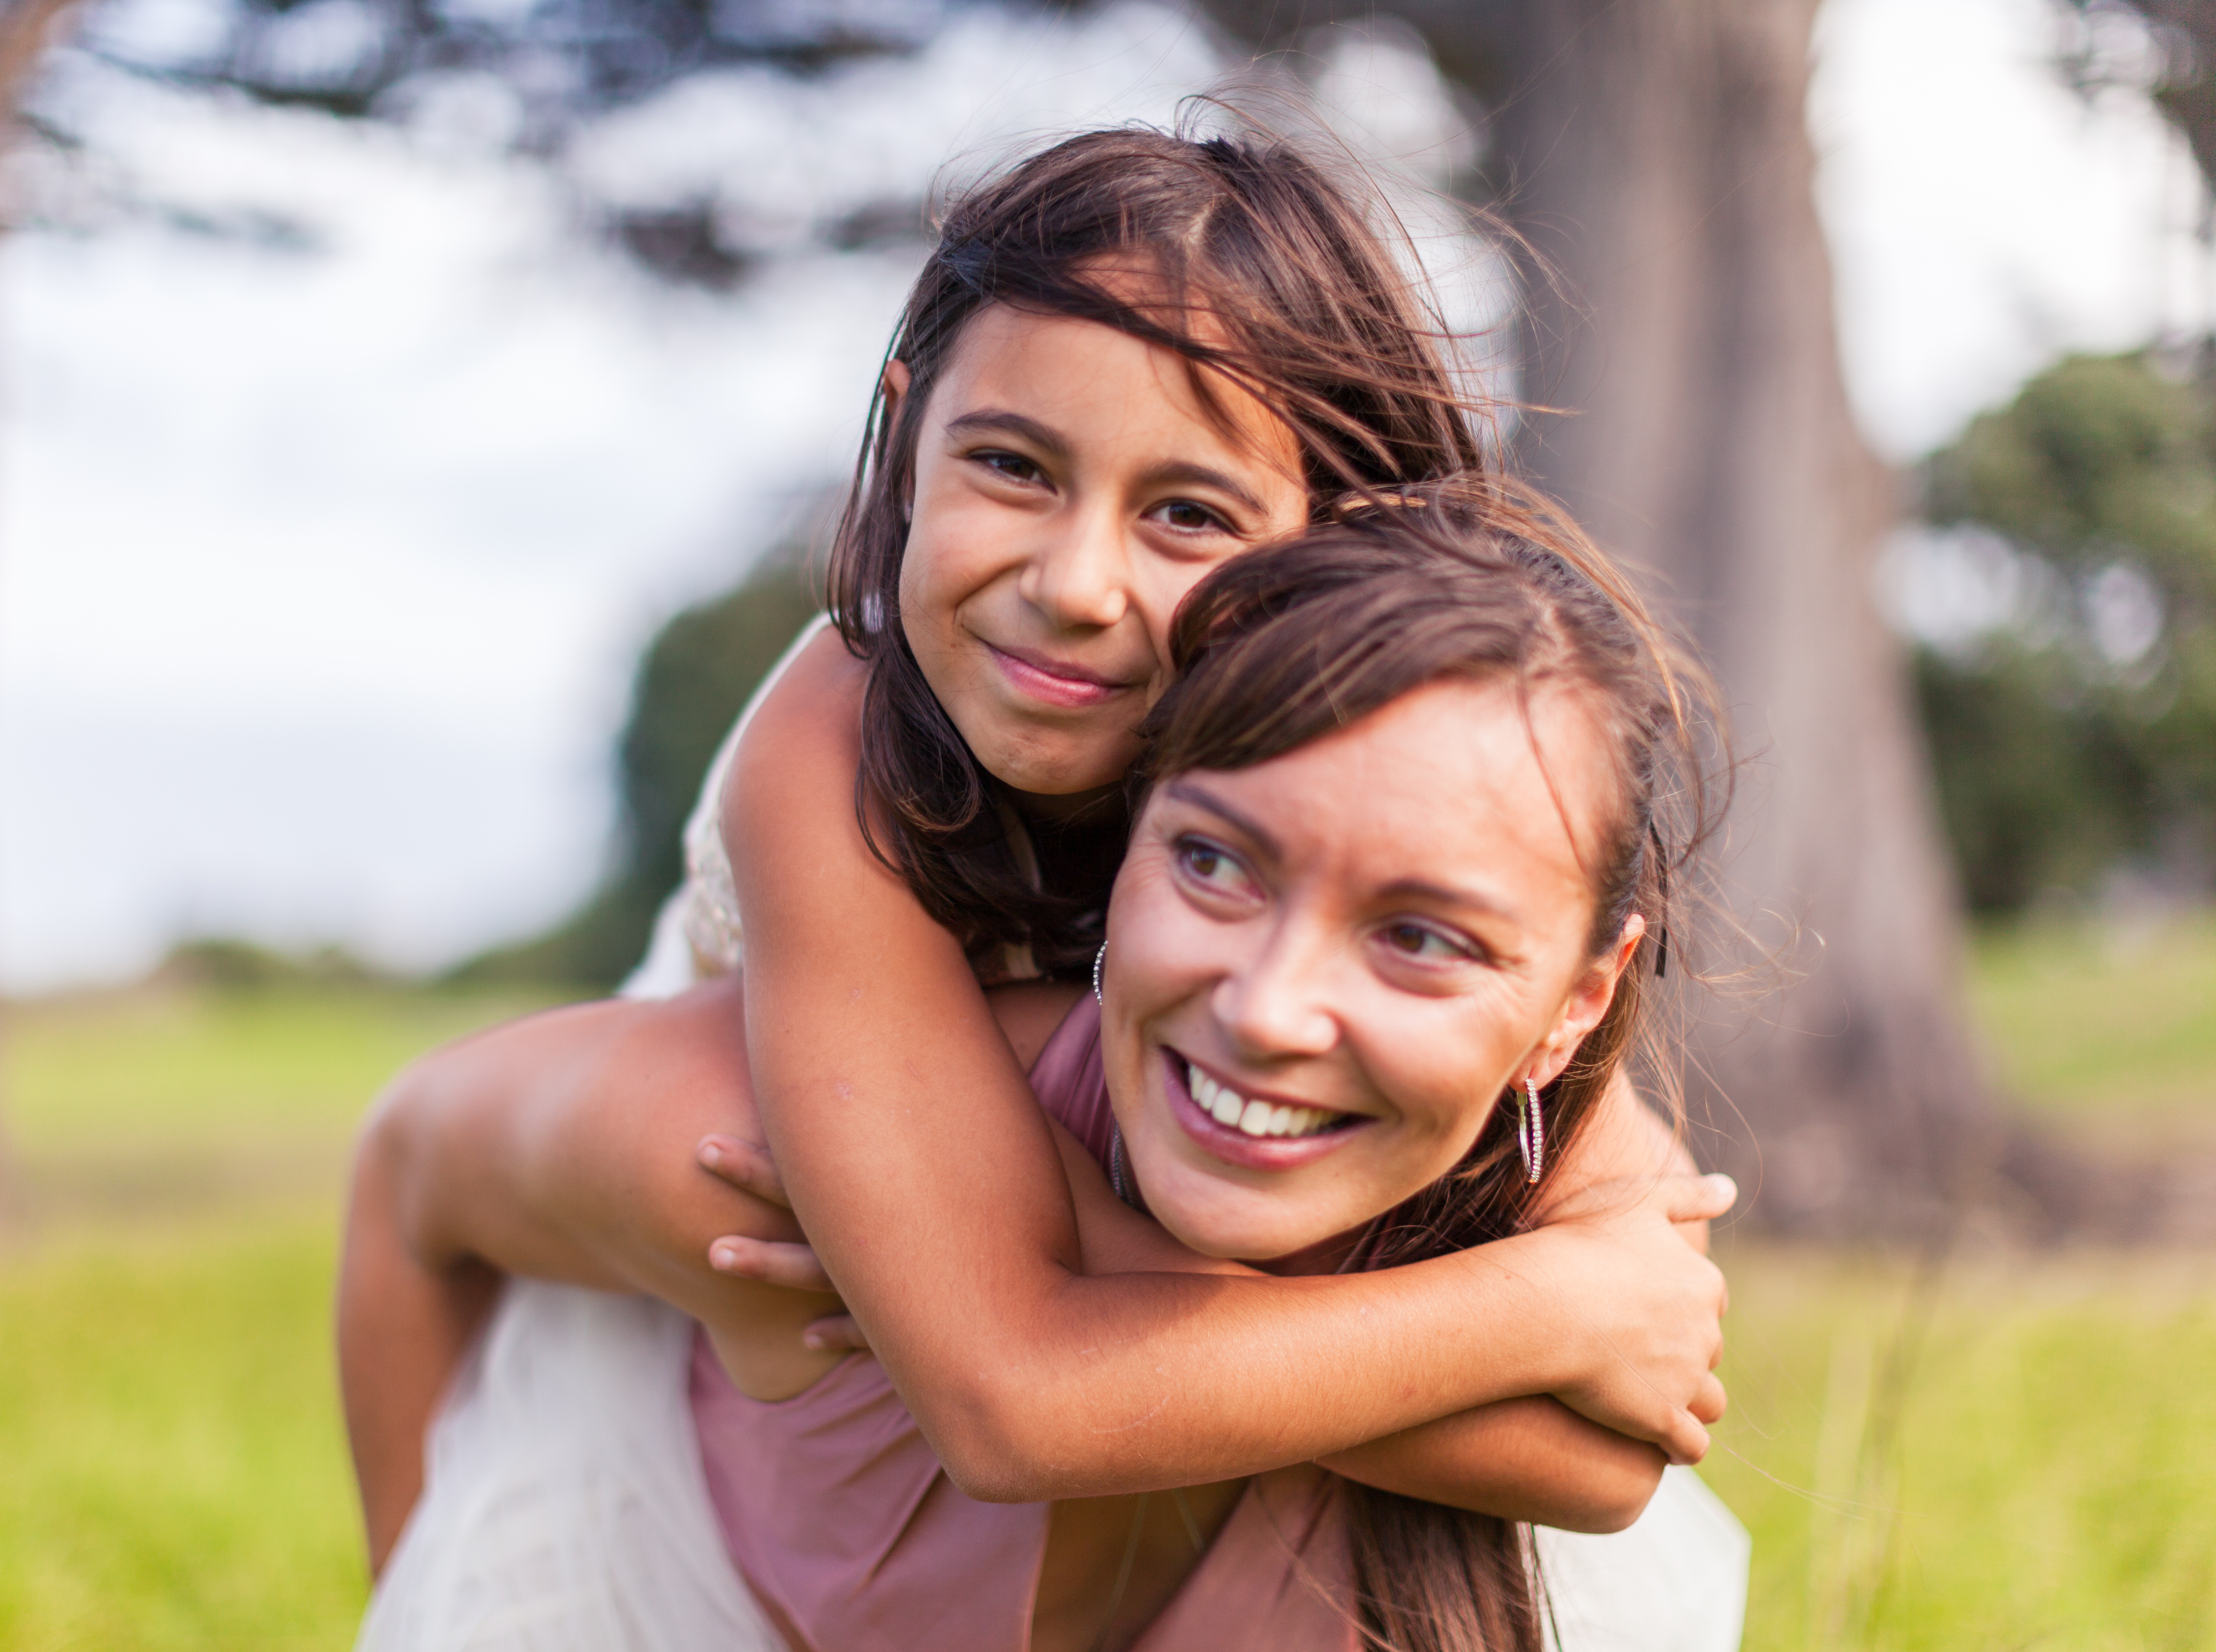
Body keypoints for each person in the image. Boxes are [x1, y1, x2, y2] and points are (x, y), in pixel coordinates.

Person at [344, 123, 1749, 1648]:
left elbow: (1621, 1441)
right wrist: (1542, 1310)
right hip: (794, 1177)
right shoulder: (832, 745)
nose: (1076, 588)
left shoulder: (1361, 783)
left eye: (1188, 514)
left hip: (1068, 1276)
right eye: (1013, 467)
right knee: (701, 1174)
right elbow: (1013, 1387)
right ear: (907, 431)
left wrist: (1594, 1298)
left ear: (1340, 540)